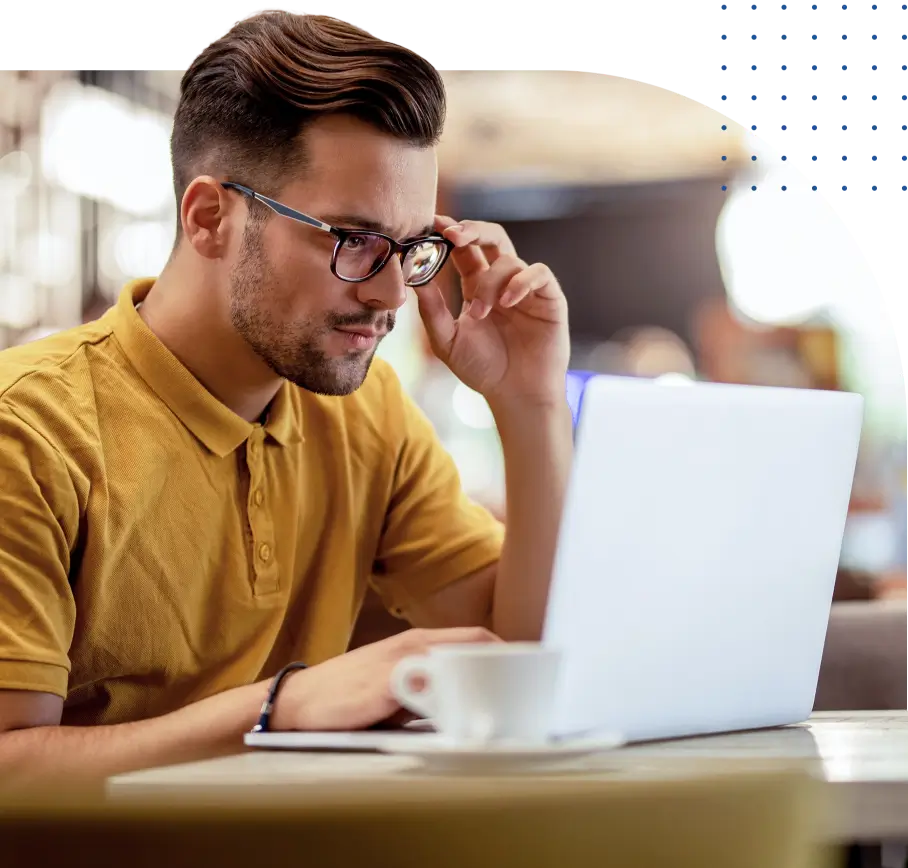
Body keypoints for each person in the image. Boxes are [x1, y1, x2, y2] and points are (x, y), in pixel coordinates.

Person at [0, 9, 572, 785]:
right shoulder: (27, 432)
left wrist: (528, 403)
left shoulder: (367, 414)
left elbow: (526, 656)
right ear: (210, 219)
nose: (390, 295)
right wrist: (280, 709)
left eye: (409, 249)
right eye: (351, 239)